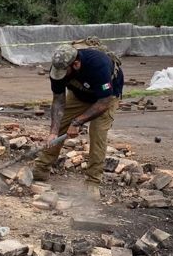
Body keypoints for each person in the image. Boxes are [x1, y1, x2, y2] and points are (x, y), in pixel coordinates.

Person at [32, 44, 124, 199]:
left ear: (76, 64)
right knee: (60, 125)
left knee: (97, 133)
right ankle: (41, 169)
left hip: (105, 98)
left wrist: (77, 123)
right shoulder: (58, 70)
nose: (60, 75)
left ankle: (92, 182)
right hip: (79, 95)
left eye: (64, 72)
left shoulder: (98, 65)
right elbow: (58, 101)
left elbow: (103, 102)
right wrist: (54, 132)